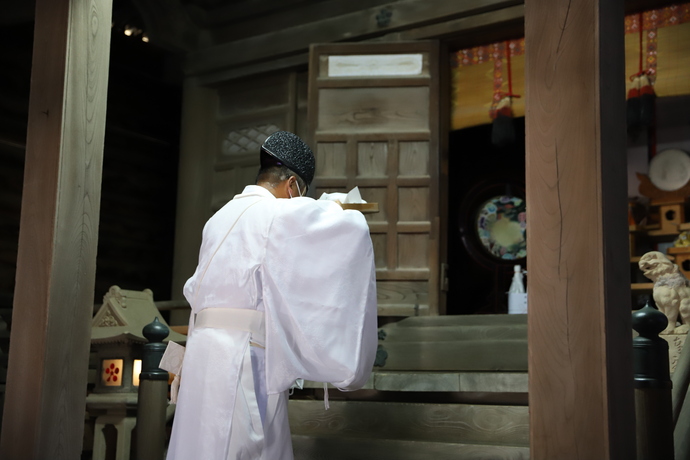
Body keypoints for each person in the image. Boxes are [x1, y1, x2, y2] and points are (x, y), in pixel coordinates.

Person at [165, 131, 378, 460]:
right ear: (292, 185)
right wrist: (335, 203)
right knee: (246, 445)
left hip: (202, 353)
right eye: (301, 193)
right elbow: (351, 229)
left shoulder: (217, 218)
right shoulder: (276, 213)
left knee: (199, 444)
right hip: (243, 355)